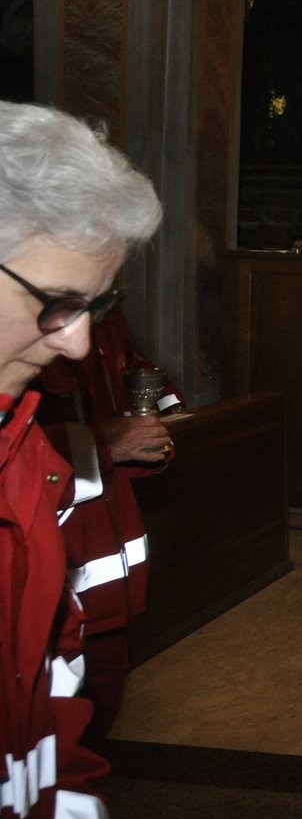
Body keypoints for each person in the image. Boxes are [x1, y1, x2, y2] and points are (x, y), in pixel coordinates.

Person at [0, 101, 162, 819]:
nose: (78, 342)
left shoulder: (26, 456)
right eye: (57, 302)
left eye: (92, 308)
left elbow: (54, 722)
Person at [36, 306, 182, 748]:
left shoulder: (106, 315)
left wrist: (150, 436)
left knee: (96, 713)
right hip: (52, 574)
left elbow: (127, 390)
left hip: (105, 573)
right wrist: (105, 444)